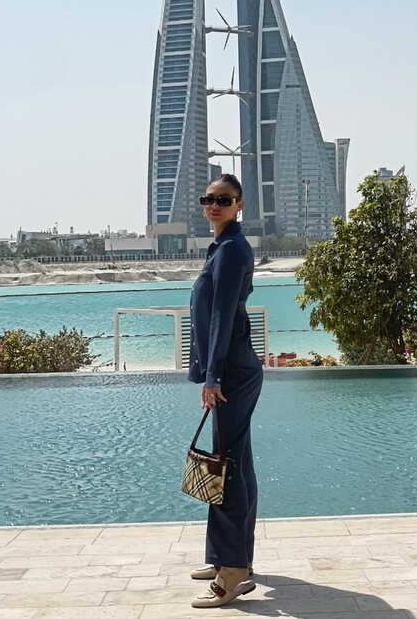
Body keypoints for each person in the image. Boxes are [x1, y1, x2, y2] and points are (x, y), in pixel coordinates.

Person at [187, 174, 263, 609]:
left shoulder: (232, 249)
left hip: (231, 371)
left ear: (239, 204)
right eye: (208, 199)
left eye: (224, 199)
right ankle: (232, 557)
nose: (214, 205)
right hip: (232, 367)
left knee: (227, 467)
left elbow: (221, 315)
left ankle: (232, 572)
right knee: (237, 463)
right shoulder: (222, 247)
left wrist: (212, 376)